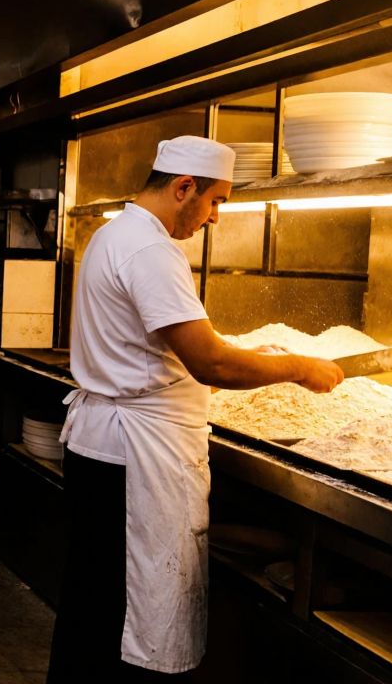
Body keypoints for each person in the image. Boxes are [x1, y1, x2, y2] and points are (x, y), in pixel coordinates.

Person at [45, 135, 344, 682]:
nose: (214, 219)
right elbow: (214, 365)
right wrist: (301, 367)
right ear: (185, 188)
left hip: (109, 449)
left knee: (94, 610)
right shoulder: (151, 250)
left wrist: (250, 354)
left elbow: (174, 346)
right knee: (125, 616)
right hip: (134, 461)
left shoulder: (117, 233)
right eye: (216, 202)